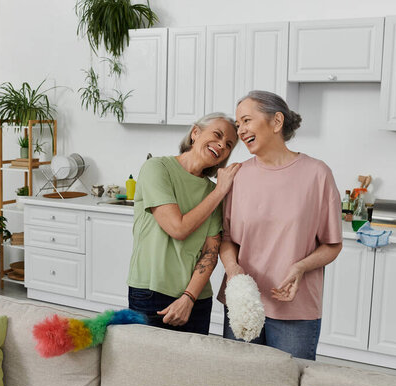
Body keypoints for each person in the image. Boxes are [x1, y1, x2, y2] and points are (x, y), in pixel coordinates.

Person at [218, 90, 343, 360]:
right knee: (239, 385)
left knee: (288, 384)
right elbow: (227, 238)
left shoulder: (317, 174)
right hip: (244, 303)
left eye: (247, 120)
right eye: (238, 124)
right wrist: (233, 271)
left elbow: (332, 245)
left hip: (295, 309)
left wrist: (300, 267)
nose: (241, 130)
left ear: (276, 122)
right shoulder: (238, 175)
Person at [127, 113, 240, 335]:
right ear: (195, 133)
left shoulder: (213, 192)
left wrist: (189, 298)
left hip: (196, 299)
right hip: (151, 292)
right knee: (145, 366)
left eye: (228, 145)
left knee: (192, 370)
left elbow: (210, 252)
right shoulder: (157, 168)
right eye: (217, 135)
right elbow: (177, 228)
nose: (221, 145)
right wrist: (219, 191)